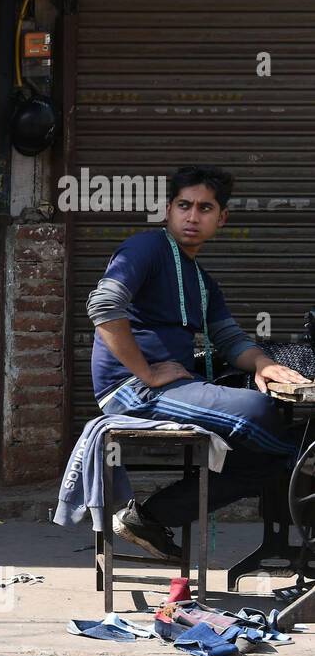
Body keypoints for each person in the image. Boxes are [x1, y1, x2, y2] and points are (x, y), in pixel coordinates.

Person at [86, 165, 309, 559]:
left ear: (221, 218)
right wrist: (147, 371)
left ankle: (149, 517)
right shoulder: (146, 248)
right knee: (258, 412)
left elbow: (229, 339)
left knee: (264, 464)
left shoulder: (202, 281)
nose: (192, 216)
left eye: (205, 208)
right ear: (168, 209)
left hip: (172, 386)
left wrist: (260, 363)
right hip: (131, 389)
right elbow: (104, 306)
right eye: (184, 205)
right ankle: (303, 462)